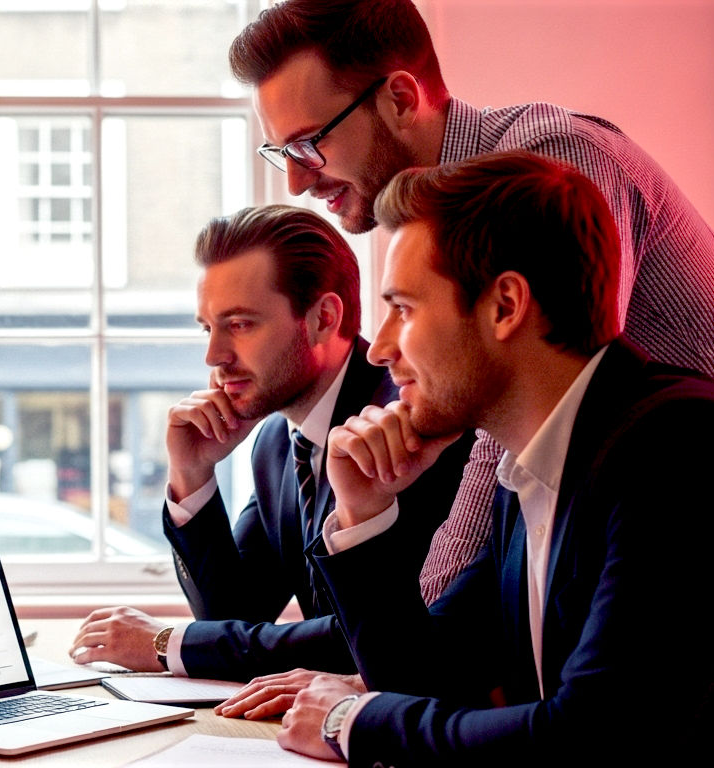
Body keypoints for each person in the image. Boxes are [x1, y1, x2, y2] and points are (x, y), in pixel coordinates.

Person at [231, 0, 714, 607]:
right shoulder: (427, 217)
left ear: (401, 99)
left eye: (309, 145)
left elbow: (537, 402)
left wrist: (407, 656)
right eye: (282, 154)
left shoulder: (550, 166)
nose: (297, 184)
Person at [276, 151, 714, 765]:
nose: (378, 350)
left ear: (505, 305)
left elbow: (591, 736)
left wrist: (351, 723)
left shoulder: (679, 443)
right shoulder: (527, 472)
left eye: (403, 308)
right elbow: (429, 680)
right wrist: (365, 514)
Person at [68, 205, 470, 710]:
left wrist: (166, 643)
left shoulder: (408, 420)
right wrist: (191, 474)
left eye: (239, 325)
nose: (214, 356)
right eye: (207, 328)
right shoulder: (278, 441)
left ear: (323, 319)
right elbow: (235, 612)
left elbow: (380, 629)